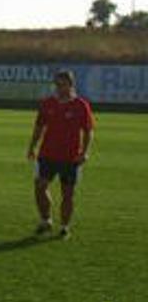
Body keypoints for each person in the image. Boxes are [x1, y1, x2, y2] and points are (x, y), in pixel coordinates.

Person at [27, 70, 95, 239]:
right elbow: (39, 127)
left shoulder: (81, 105)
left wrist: (85, 153)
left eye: (62, 84)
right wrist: (32, 147)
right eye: (56, 84)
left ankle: (64, 227)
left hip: (70, 158)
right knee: (40, 187)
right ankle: (46, 220)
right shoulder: (47, 103)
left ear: (71, 85)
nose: (58, 88)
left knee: (68, 194)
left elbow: (88, 131)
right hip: (47, 155)